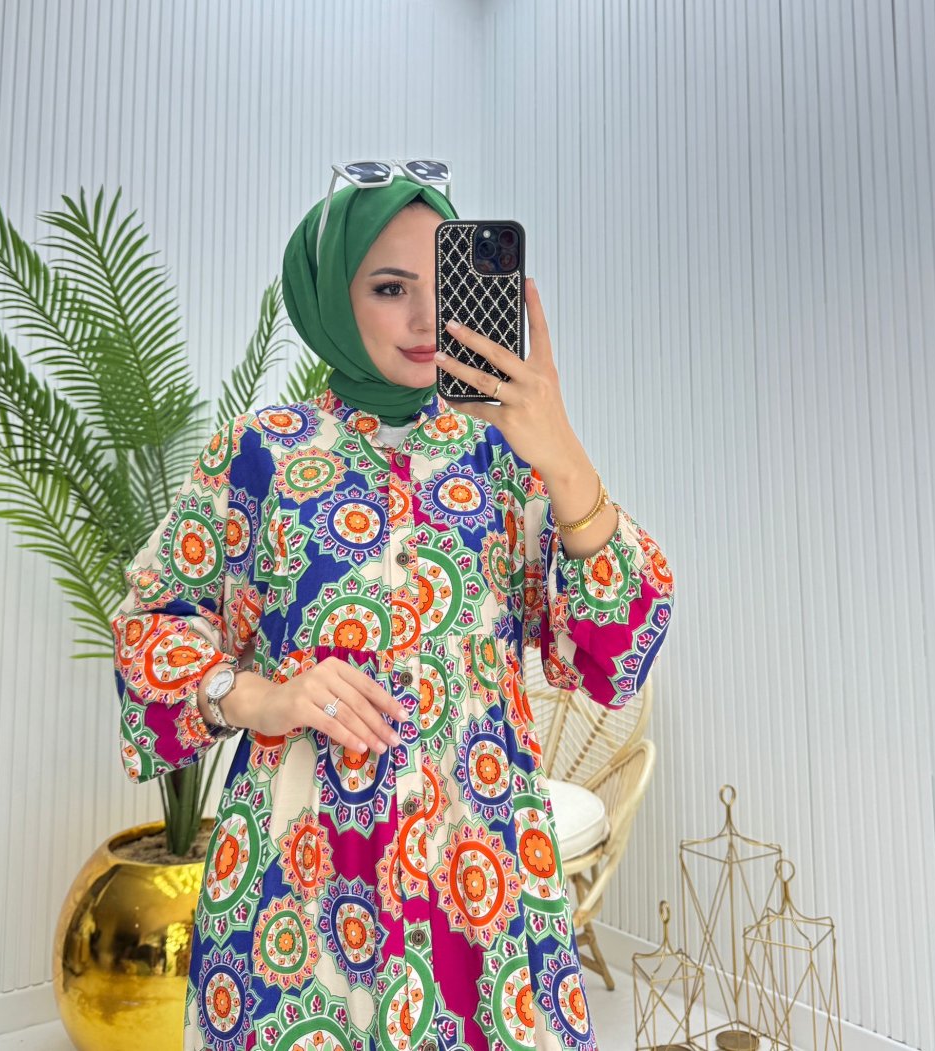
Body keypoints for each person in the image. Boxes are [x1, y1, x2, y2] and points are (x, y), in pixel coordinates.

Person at [110, 172, 675, 1050]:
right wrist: (257, 695)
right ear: (332, 296)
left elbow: (612, 652)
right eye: (387, 287)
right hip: (301, 875)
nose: (424, 320)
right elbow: (150, 623)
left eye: (441, 288)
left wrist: (562, 455)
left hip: (483, 869)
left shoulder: (504, 454)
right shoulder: (259, 453)